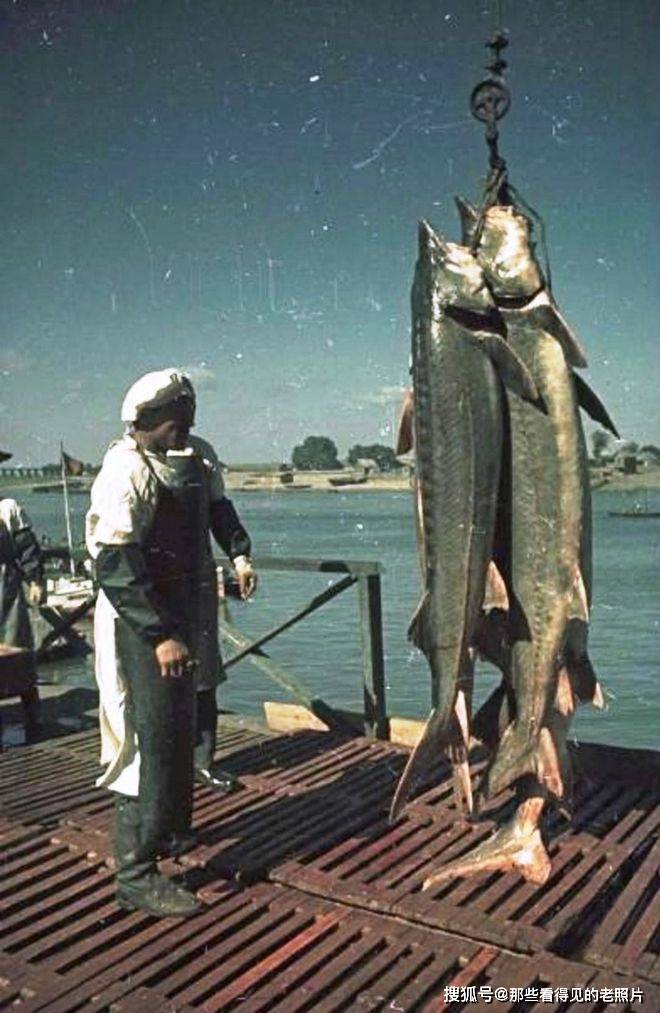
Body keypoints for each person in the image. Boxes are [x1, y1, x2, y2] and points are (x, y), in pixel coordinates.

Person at [86, 369, 257, 918]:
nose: (183, 432)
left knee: (180, 733)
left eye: (188, 420)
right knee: (145, 739)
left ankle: (168, 833)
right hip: (139, 623)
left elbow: (218, 509)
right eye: (173, 425)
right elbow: (113, 562)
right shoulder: (124, 471)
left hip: (184, 614)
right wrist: (157, 636)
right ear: (144, 423)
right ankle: (135, 875)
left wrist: (239, 553)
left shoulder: (196, 455)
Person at [0, 454, 46, 745]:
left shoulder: (8, 508)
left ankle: (33, 718)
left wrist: (36, 580)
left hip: (6, 590)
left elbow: (27, 548)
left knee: (18, 652)